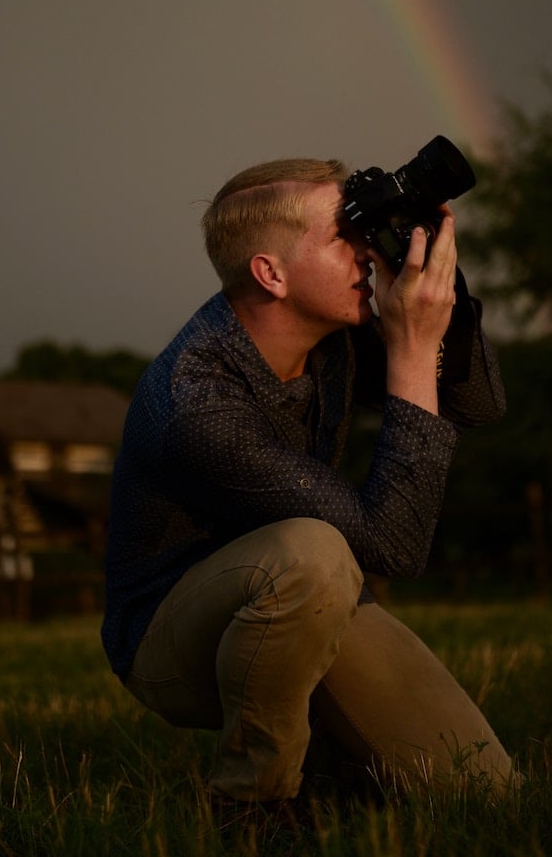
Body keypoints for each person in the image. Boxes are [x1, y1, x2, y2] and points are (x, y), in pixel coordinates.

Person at [101, 157, 517, 807]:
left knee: (482, 792)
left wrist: (445, 296)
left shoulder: (333, 338)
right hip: (172, 643)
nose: (364, 251)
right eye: (344, 235)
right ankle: (252, 802)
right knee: (314, 553)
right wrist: (409, 351)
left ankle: (332, 768)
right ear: (270, 273)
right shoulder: (194, 400)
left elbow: (477, 404)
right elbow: (395, 547)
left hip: (306, 599)